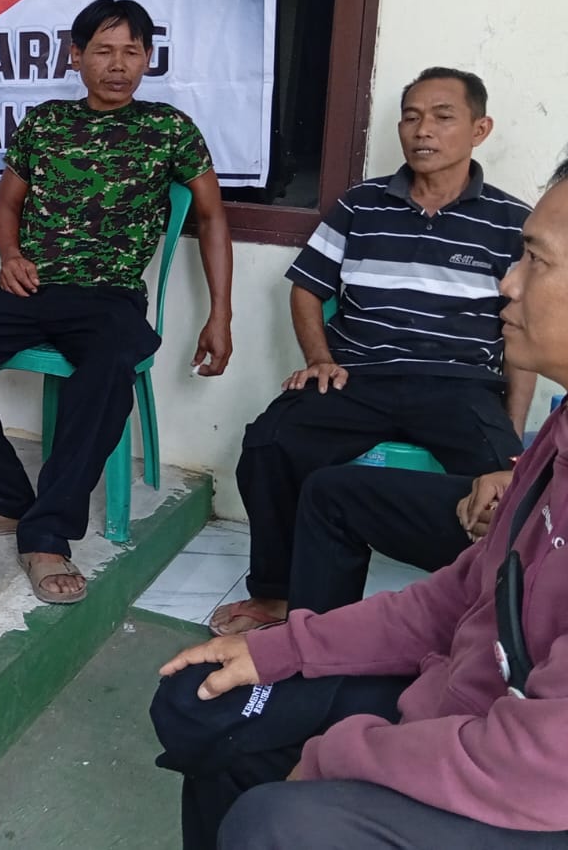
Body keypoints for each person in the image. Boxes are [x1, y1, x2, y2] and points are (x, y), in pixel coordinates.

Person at [152, 161, 568, 850]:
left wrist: (334, 756)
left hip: (522, 778)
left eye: (536, 261)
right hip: (462, 687)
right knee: (202, 701)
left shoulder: (493, 216)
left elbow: (539, 766)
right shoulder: (558, 437)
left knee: (270, 819)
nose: (508, 284)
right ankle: (282, 610)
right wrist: (286, 650)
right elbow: (462, 593)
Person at [0, 0, 233, 603]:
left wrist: (221, 313)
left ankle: (47, 532)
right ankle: (7, 495)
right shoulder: (45, 122)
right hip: (32, 285)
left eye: (132, 52)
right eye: (104, 51)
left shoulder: (168, 129)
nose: (119, 65)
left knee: (106, 372)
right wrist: (10, 256)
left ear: (148, 58)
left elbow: (213, 217)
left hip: (109, 298)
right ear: (76, 56)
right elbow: (7, 204)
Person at [211, 68, 533, 635]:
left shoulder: (511, 222)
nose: (422, 130)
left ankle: (480, 602)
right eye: (411, 117)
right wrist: (319, 359)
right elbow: (307, 288)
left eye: (442, 117)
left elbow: (522, 330)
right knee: (269, 443)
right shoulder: (361, 204)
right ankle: (278, 594)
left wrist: (510, 431)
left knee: (508, 489)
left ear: (479, 129)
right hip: (360, 376)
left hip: (459, 385)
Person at [285, 462, 513, 615]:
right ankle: (307, 652)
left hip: (525, 549)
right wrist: (516, 478)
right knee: (329, 495)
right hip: (518, 507)